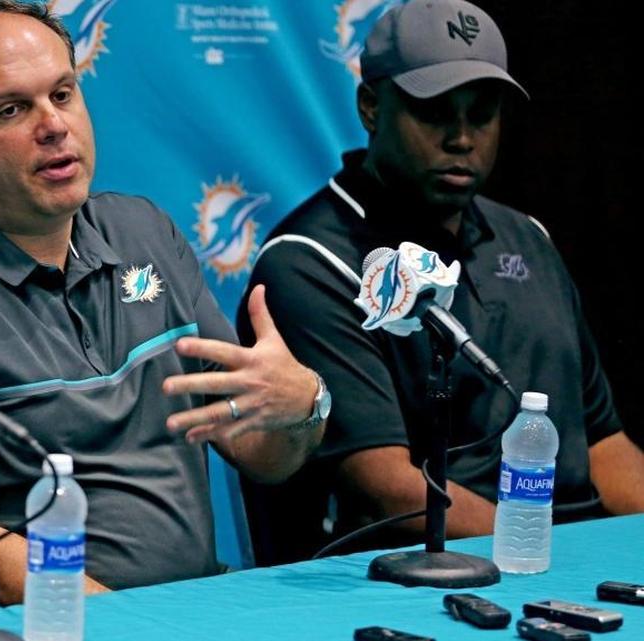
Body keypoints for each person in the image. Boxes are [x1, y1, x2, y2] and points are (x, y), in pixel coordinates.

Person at [0, 0, 328, 602]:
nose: (53, 125)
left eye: (63, 94)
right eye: (12, 109)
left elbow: (262, 455)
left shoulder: (144, 232)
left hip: (200, 605)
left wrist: (302, 403)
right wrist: (127, 624)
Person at [237, 0, 644, 560]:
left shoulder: (528, 238)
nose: (461, 137)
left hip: (564, 560)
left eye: (481, 113)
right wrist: (549, 554)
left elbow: (604, 445)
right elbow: (388, 492)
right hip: (414, 576)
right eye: (434, 112)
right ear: (371, 107)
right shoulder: (309, 261)